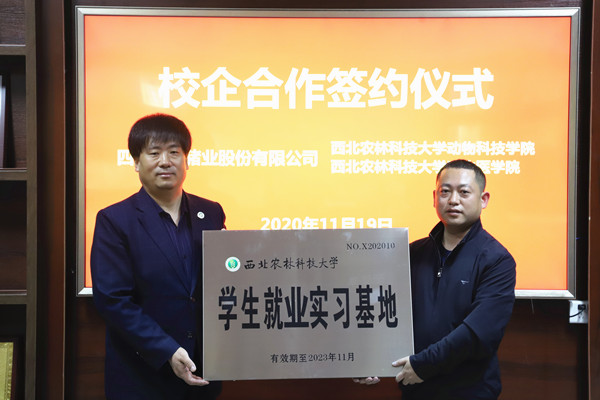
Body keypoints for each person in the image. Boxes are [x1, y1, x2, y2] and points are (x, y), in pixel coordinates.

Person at [355, 159, 516, 400]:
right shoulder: (412, 253)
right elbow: (383, 310)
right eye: (445, 191)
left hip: (469, 392)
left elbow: (479, 333)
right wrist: (369, 359)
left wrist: (424, 365)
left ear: (483, 199)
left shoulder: (497, 260)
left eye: (464, 192)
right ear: (434, 197)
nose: (453, 200)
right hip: (416, 390)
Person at [91, 113, 226, 400]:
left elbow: (224, 280)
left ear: (186, 160)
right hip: (142, 376)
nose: (165, 161)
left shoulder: (211, 212)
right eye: (154, 153)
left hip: (204, 373)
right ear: (136, 162)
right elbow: (113, 301)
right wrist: (167, 350)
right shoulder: (115, 220)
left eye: (174, 152)